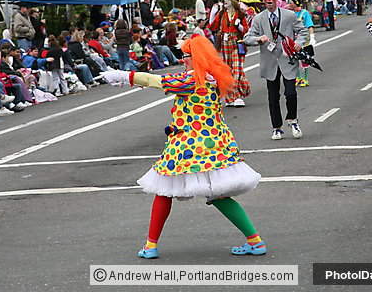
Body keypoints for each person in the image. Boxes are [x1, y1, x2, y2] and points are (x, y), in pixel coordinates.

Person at [100, 35, 265, 259]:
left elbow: (154, 81)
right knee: (218, 195)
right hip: (215, 145)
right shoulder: (214, 78)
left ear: (194, 58)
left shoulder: (192, 81)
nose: (182, 59)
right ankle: (255, 241)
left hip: (187, 147)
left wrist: (124, 76)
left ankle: (150, 246)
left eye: (185, 55)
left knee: (163, 191)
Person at [243, 0, 308, 140]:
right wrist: (259, 39)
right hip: (269, 61)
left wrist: (298, 42)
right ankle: (276, 127)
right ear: (263, 0)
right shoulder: (258, 18)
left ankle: (293, 120)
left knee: (291, 93)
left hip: (287, 58)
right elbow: (247, 37)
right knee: (273, 97)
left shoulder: (289, 15)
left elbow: (302, 31)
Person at [210, 0, 251, 107]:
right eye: (224, 0)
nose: (225, 2)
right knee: (228, 70)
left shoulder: (241, 14)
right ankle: (234, 94)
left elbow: (246, 30)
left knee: (237, 69)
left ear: (233, 2)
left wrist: (239, 26)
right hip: (225, 42)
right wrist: (213, 13)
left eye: (227, 0)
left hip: (237, 43)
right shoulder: (222, 14)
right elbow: (212, 26)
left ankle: (236, 96)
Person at [287, 0, 315, 87]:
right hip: (293, 39)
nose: (289, 4)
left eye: (291, 2)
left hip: (304, 39)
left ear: (295, 3)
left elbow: (309, 25)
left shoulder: (304, 13)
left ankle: (305, 79)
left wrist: (312, 37)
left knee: (304, 59)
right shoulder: (290, 14)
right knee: (294, 58)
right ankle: (298, 77)